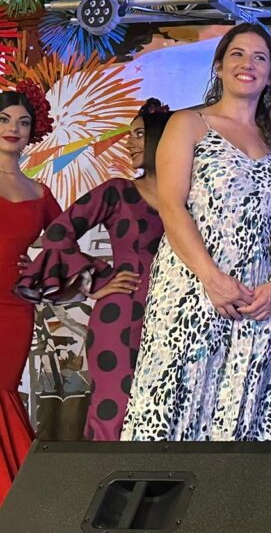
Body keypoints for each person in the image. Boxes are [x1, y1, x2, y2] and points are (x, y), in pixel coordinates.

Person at [122, 23, 271, 441]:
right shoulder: (189, 123)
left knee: (239, 415)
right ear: (218, 66)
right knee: (170, 407)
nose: (247, 64)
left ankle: (228, 508)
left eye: (259, 57)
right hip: (191, 285)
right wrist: (211, 279)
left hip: (254, 300)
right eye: (236, 54)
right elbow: (172, 208)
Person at [18, 98, 171, 440]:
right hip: (122, 315)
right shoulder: (118, 191)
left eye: (140, 135)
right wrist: (98, 280)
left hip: (173, 320)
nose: (129, 142)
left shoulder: (193, 199)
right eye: (129, 134)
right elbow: (58, 234)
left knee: (165, 416)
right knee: (112, 416)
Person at [0, 81, 59, 504]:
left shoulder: (40, 194)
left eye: (23, 121)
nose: (13, 128)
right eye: (4, 119)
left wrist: (38, 268)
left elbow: (68, 249)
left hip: (11, 309)